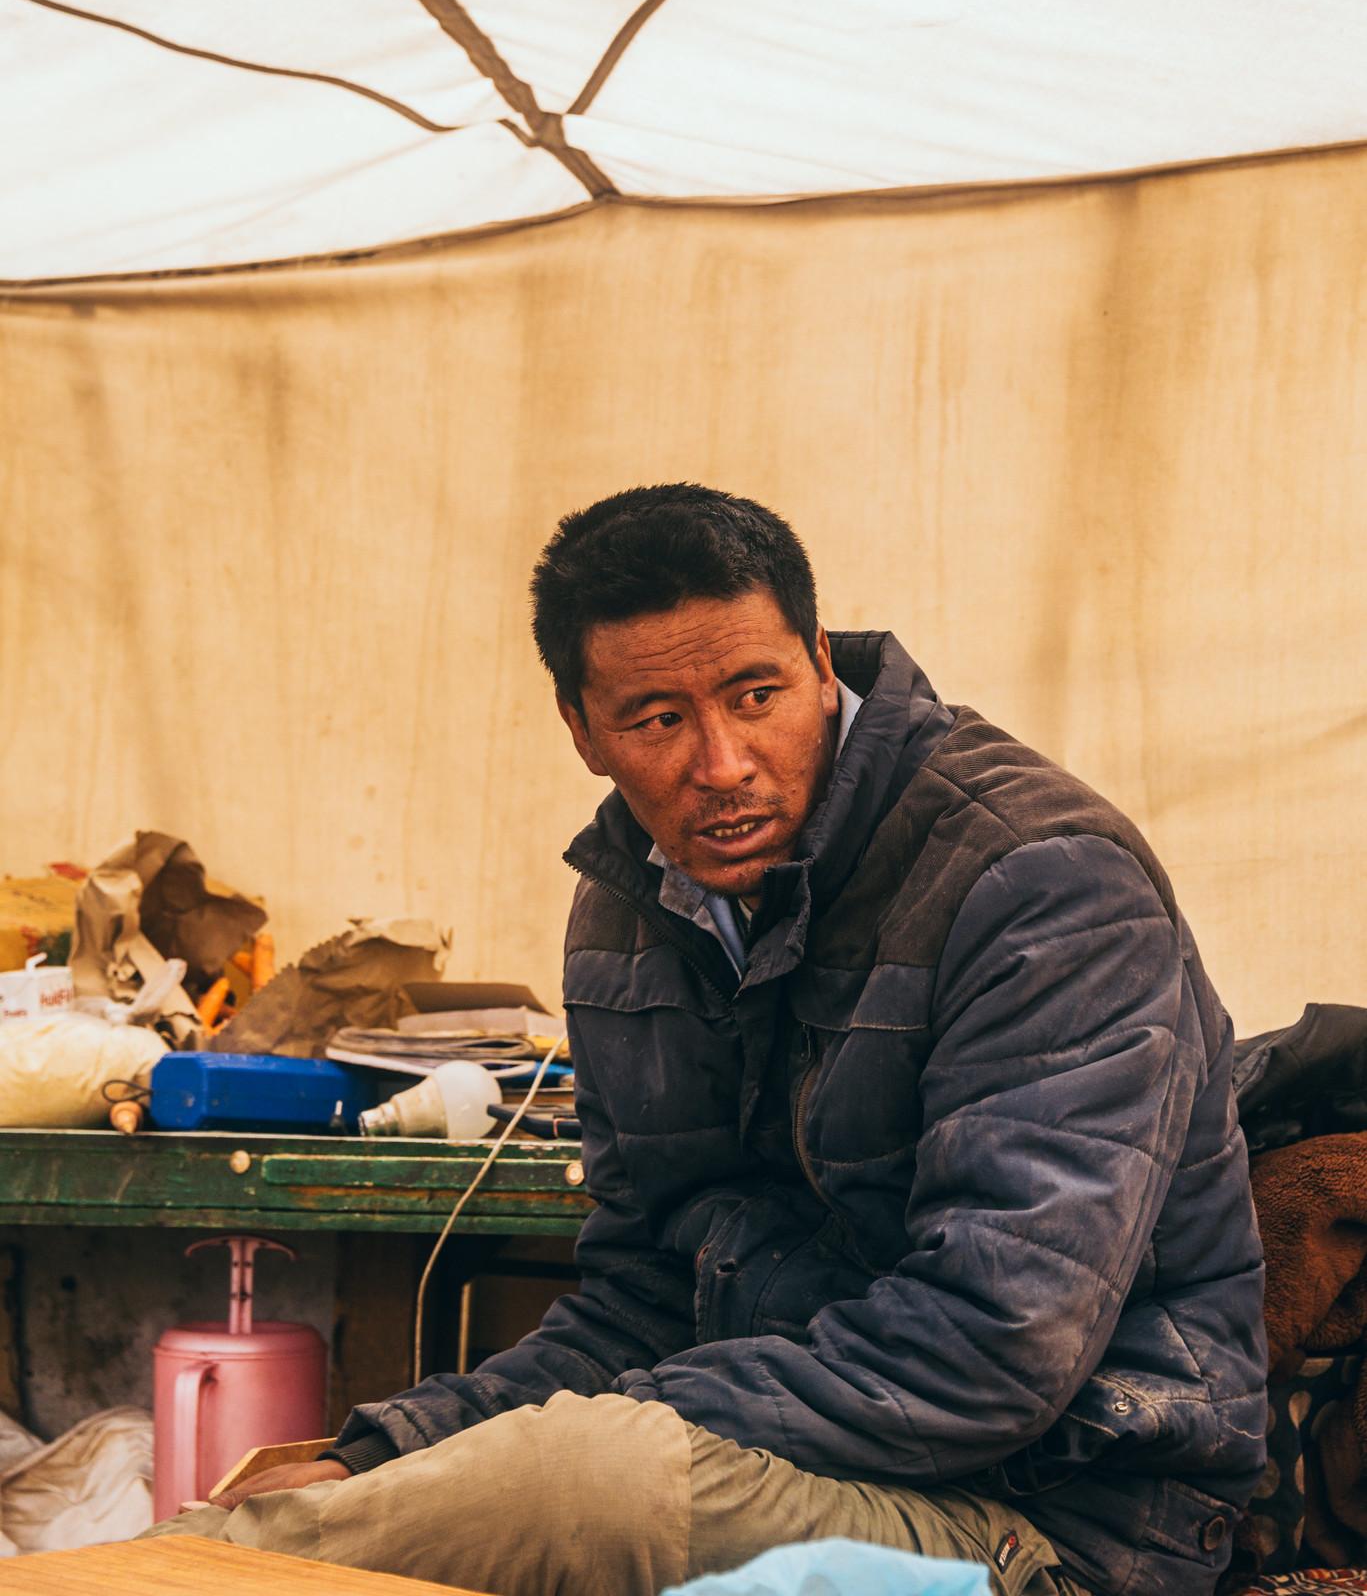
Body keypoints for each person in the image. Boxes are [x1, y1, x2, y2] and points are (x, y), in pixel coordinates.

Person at [164, 485, 1267, 1595]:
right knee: (305, 1495)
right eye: (656, 718)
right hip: (799, 1458)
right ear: (583, 732)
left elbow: (994, 1345)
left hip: (1065, 1520)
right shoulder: (628, 913)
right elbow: (646, 1288)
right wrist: (390, 1447)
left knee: (578, 1479)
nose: (724, 760)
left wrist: (554, 1444)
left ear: (820, 664)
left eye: (757, 693)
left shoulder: (1034, 878)